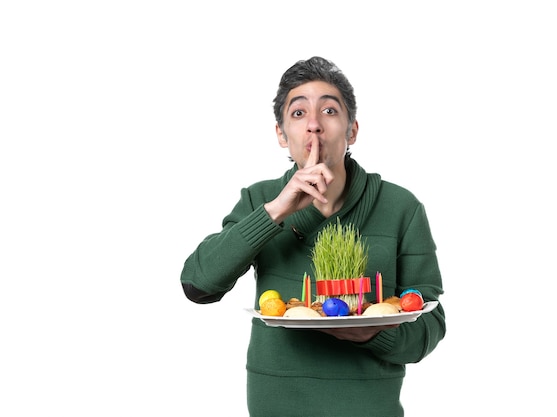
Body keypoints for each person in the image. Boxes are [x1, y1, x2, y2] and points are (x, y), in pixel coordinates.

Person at [180, 56, 446, 417]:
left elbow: (431, 322)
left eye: (330, 111)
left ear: (352, 130)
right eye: (299, 113)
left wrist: (374, 334)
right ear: (281, 134)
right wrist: (277, 211)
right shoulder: (260, 200)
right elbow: (198, 285)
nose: (315, 127)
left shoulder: (401, 207)